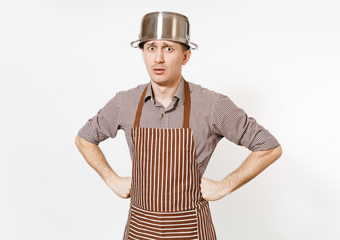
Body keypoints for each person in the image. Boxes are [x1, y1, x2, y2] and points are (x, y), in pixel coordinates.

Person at [75, 11, 282, 240]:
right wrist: (110, 178)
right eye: (151, 48)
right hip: (140, 230)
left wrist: (225, 186)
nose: (159, 58)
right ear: (142, 53)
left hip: (191, 232)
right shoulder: (125, 103)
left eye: (169, 48)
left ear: (185, 56)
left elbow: (269, 147)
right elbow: (84, 138)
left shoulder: (212, 105)